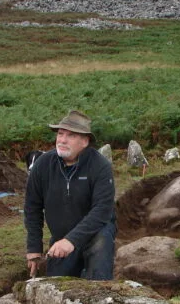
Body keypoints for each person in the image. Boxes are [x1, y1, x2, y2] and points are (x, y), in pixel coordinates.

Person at [24, 110, 116, 280]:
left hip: (95, 233)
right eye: (60, 134)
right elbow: (32, 207)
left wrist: (72, 240)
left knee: (99, 272)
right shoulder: (43, 165)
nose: (62, 140)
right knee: (57, 282)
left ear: (85, 141)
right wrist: (34, 248)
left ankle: (99, 286)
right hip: (61, 237)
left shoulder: (100, 166)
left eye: (71, 135)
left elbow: (102, 210)